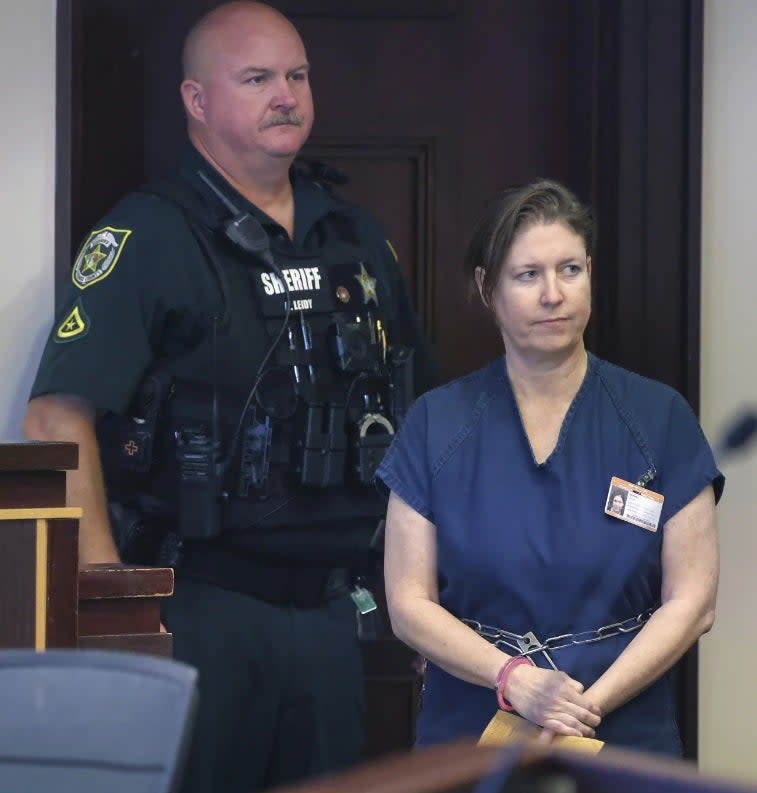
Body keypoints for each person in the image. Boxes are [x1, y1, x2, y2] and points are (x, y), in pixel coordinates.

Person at [23, 3, 435, 792]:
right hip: (196, 609)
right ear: (196, 99)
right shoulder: (148, 238)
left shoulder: (353, 237)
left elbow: (420, 416)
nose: (286, 95)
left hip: (327, 613)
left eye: (297, 75)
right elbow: (55, 418)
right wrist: (114, 615)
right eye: (257, 79)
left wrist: (425, 591)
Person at [376, 179, 722, 756]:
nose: (553, 294)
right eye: (527, 274)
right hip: (474, 726)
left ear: (590, 272)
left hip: (623, 727)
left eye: (570, 270)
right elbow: (408, 604)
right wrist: (516, 682)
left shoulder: (658, 417)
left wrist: (582, 707)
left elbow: (693, 602)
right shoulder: (436, 422)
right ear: (488, 289)